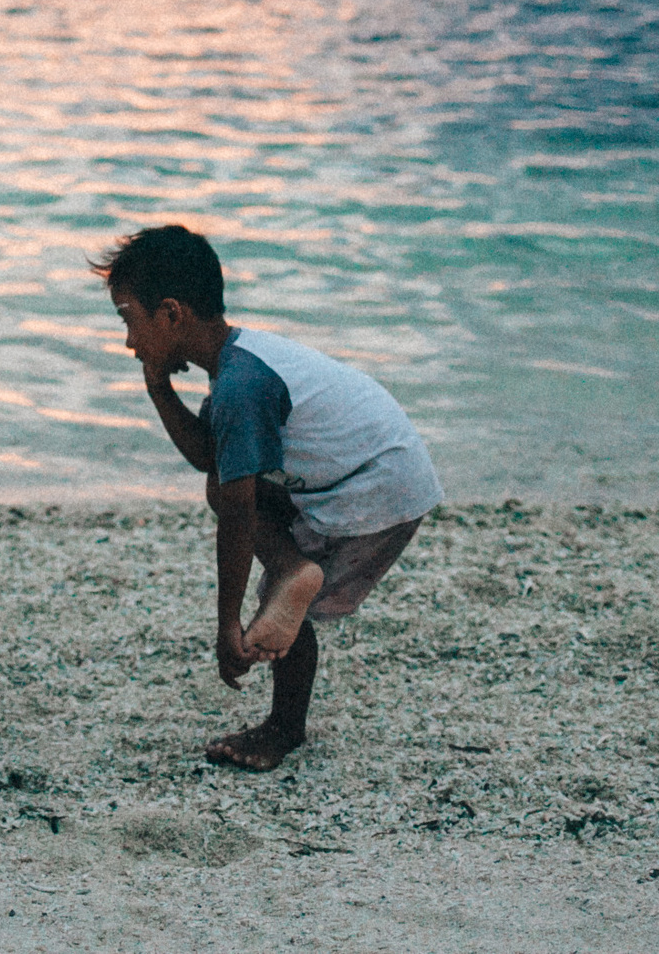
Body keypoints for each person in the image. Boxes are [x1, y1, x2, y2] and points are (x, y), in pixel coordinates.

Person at [97, 224, 442, 771]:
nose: (129, 341)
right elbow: (210, 459)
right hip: (380, 472)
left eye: (128, 320)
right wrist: (158, 386)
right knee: (243, 507)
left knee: (283, 593)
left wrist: (226, 623)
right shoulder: (241, 360)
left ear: (169, 314)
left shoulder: (241, 388)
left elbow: (236, 513)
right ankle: (291, 572)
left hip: (375, 488)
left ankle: (284, 725)